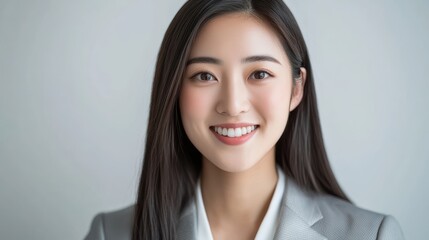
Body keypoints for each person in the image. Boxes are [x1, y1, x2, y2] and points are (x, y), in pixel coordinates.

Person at [85, 0, 405, 239]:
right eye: (205, 75)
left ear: (296, 88)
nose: (233, 105)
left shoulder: (372, 235)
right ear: (174, 91)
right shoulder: (110, 233)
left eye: (260, 73)